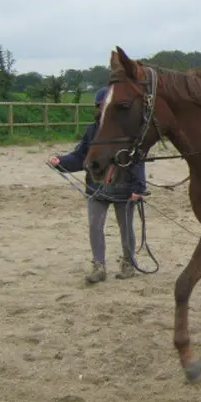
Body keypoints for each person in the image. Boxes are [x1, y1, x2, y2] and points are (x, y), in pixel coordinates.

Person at [48, 86, 148, 284]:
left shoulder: (126, 130)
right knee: (95, 226)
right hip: (96, 187)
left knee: (126, 228)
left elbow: (137, 159)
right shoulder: (92, 130)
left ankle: (128, 264)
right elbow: (81, 156)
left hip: (123, 189)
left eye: (107, 106)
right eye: (101, 106)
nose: (103, 109)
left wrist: (138, 187)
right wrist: (61, 162)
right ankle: (99, 266)